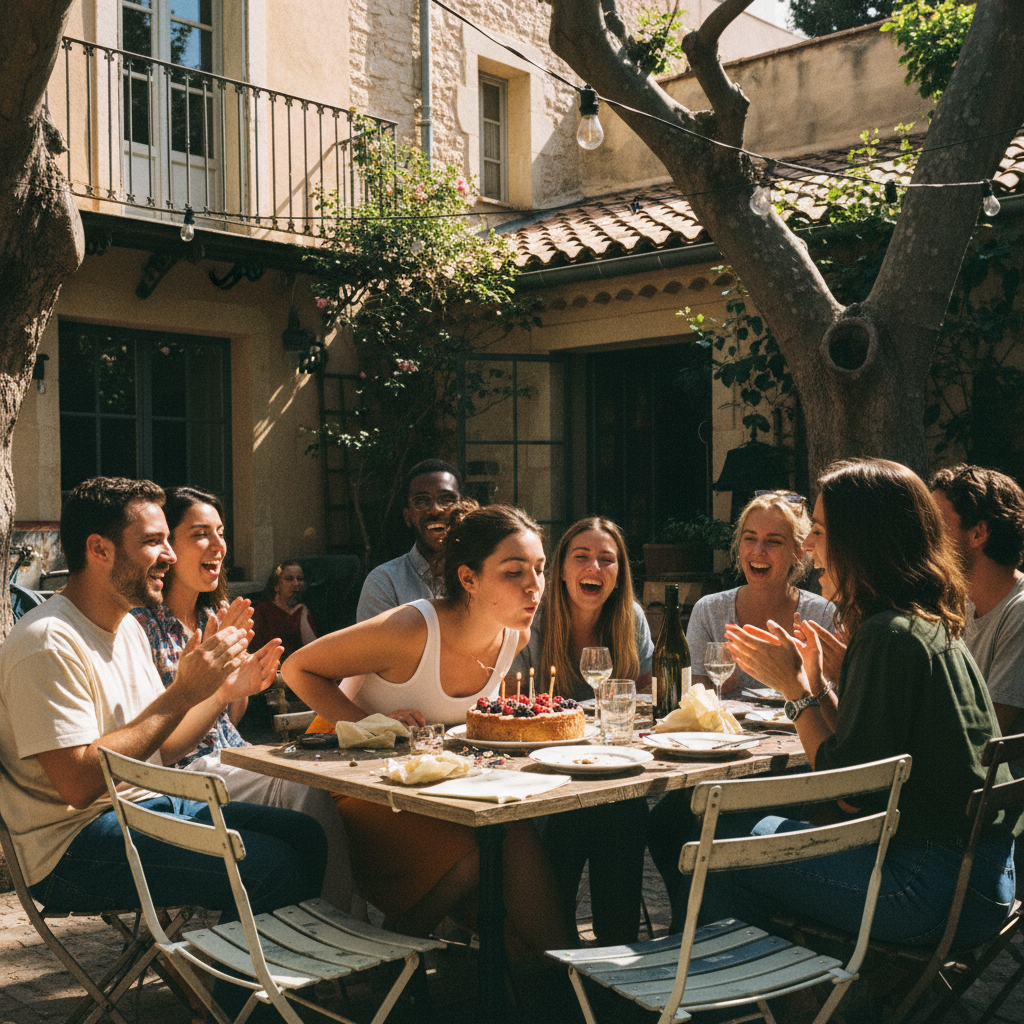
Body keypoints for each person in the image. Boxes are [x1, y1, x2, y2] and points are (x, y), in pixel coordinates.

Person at [657, 458, 1019, 950]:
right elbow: (866, 757)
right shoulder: (920, 623)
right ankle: (797, 994)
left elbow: (851, 794)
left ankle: (703, 996)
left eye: (820, 531)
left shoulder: (889, 634)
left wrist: (797, 691)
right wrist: (824, 687)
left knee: (721, 846)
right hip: (982, 885)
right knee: (731, 833)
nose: (808, 547)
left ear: (861, 541)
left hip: (927, 890)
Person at [0, 477, 325, 923]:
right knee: (268, 864)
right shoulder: (47, 642)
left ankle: (280, 975)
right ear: (99, 550)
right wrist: (183, 693)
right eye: (154, 542)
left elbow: (164, 748)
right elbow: (77, 786)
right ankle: (244, 991)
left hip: (144, 806)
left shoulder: (127, 626)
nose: (169, 556)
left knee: (307, 835)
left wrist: (219, 691)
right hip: (73, 846)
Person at [283, 503, 569, 954]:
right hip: (350, 784)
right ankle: (394, 948)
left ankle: (555, 975)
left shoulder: (515, 635)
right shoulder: (411, 628)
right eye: (514, 572)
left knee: (510, 849)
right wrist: (370, 725)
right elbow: (297, 668)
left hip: (424, 787)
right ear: (468, 578)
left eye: (539, 569)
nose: (534, 587)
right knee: (487, 847)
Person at [131, 486, 354, 910]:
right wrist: (216, 688)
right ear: (168, 546)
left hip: (233, 758)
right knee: (306, 792)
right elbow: (158, 737)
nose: (217, 545)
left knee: (327, 781)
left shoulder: (214, 616)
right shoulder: (140, 625)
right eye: (200, 534)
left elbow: (229, 717)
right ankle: (340, 923)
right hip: (181, 774)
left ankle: (320, 920)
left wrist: (240, 687)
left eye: (220, 532)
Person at [518, 517, 652, 945]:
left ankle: (617, 957)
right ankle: (552, 954)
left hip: (610, 770)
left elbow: (646, 697)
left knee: (624, 811)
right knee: (571, 819)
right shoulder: (533, 621)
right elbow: (515, 705)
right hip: (542, 777)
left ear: (619, 574)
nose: (594, 566)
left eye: (607, 559)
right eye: (582, 556)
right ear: (559, 568)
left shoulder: (630, 618)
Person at [686, 490, 834, 695]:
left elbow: (835, 698)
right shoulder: (708, 611)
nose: (758, 550)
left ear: (798, 553)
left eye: (773, 541)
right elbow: (693, 696)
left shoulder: (823, 614)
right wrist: (723, 684)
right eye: (749, 538)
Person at [930, 465, 1024, 751]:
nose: (926, 537)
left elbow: (986, 738)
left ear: (977, 533)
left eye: (935, 524)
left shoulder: (1019, 612)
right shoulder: (961, 607)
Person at [355, 459, 462, 621]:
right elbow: (375, 646)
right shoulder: (384, 582)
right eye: (422, 501)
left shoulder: (484, 574)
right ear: (408, 517)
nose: (435, 509)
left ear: (463, 509)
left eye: (447, 499)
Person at [251, 560, 317, 661]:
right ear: (276, 586)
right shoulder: (262, 610)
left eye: (300, 579)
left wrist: (303, 615)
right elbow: (254, 648)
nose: (296, 584)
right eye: (289, 579)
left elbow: (313, 649)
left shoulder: (303, 611)